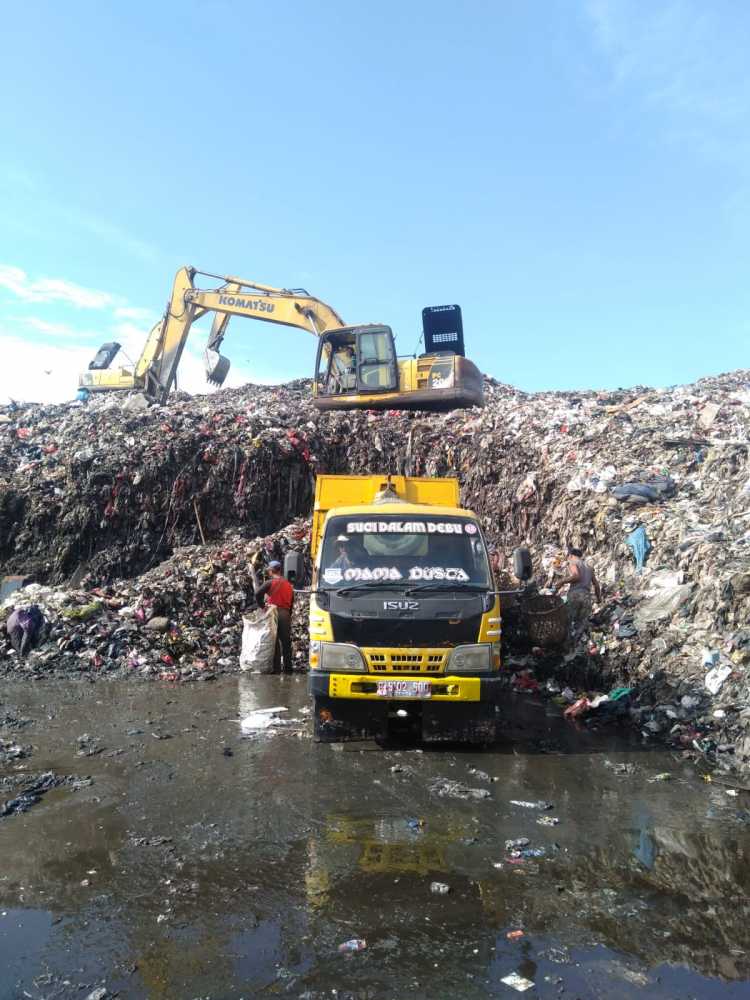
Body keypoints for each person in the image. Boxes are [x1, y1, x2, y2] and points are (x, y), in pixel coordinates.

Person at [553, 546, 602, 641]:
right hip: (587, 597)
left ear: (571, 556)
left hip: (575, 595)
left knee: (569, 621)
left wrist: (562, 581)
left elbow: (576, 576)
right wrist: (599, 598)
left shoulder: (573, 563)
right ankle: (577, 647)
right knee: (581, 625)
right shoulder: (589, 567)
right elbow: (596, 585)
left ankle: (566, 646)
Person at [254, 561, 295, 673]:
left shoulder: (269, 583)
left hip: (273, 613)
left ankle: (276, 669)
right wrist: (288, 615)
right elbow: (291, 602)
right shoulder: (288, 585)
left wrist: (262, 606)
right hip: (285, 614)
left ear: (271, 571)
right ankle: (288, 668)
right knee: (286, 642)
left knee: (275, 641)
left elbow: (257, 594)